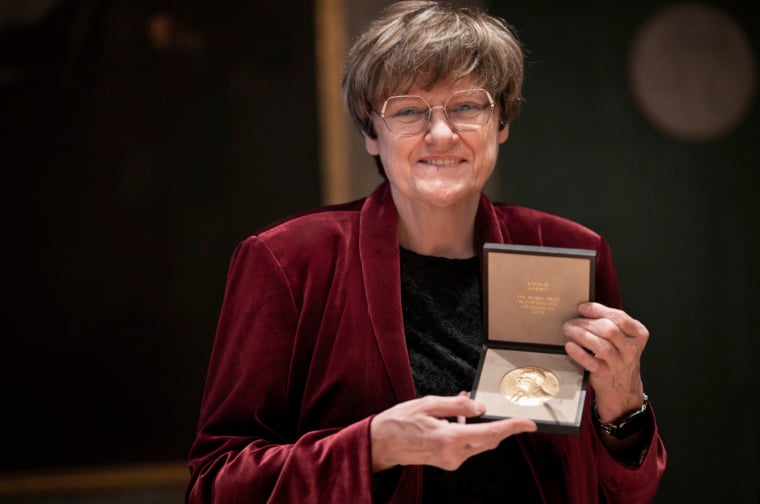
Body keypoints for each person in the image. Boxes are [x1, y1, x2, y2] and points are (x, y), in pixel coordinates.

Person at [186, 1, 667, 502]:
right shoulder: (287, 261)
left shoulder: (568, 250)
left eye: (466, 107)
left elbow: (625, 492)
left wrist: (624, 402)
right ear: (372, 134)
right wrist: (373, 446)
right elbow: (215, 486)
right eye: (409, 111)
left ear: (501, 122)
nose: (440, 134)